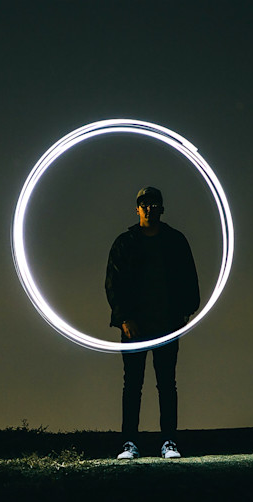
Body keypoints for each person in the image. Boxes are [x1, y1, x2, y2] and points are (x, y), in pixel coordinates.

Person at [105, 186, 200, 459]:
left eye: (154, 203)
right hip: (135, 326)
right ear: (137, 209)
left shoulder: (175, 241)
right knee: (133, 385)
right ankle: (129, 443)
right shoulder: (125, 243)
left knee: (166, 383)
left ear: (161, 208)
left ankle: (169, 441)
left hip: (167, 324)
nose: (149, 208)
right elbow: (114, 283)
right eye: (144, 204)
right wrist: (124, 318)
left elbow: (188, 278)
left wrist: (184, 313)